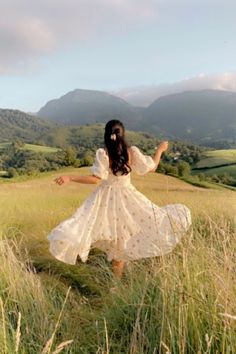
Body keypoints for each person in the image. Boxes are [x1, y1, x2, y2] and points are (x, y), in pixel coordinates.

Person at [47, 120, 191, 278]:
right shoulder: (131, 152)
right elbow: (152, 167)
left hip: (105, 200)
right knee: (123, 236)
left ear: (106, 135)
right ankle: (117, 279)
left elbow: (96, 179)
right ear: (123, 135)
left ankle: (116, 278)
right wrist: (160, 150)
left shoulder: (103, 153)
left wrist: (70, 177)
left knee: (88, 225)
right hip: (127, 197)